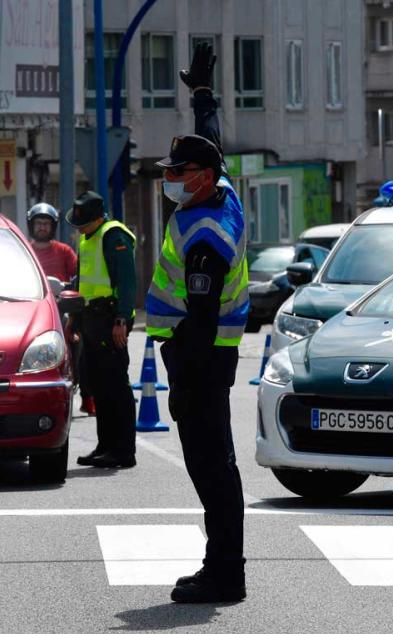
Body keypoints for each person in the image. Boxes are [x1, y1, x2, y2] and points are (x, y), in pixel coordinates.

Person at [146, 43, 250, 604]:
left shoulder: (206, 234)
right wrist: (203, 97)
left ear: (203, 178)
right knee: (216, 466)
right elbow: (216, 146)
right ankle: (221, 566)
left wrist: (184, 377)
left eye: (179, 172)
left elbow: (203, 316)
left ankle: (225, 573)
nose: (171, 179)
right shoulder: (220, 192)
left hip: (202, 358)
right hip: (208, 357)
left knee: (211, 469)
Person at [67, 191, 138, 469]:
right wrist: (75, 317)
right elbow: (82, 281)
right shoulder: (88, 238)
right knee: (98, 385)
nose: (80, 228)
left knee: (116, 386)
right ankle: (105, 446)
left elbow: (127, 281)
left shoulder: (114, 236)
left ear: (98, 218)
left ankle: (124, 451)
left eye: (84, 223)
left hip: (111, 319)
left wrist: (121, 319)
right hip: (91, 318)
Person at [26, 202, 95, 415]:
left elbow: (78, 276)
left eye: (46, 223)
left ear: (53, 226)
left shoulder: (64, 251)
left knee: (81, 343)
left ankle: (87, 396)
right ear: (31, 225)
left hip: (62, 308)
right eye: (39, 223)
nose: (42, 228)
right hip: (32, 309)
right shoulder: (26, 249)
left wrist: (71, 290)